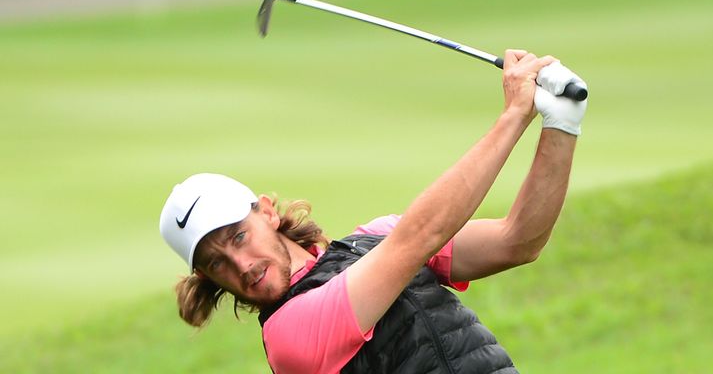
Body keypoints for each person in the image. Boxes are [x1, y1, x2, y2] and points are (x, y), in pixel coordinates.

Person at [159, 49, 587, 374]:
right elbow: (418, 237)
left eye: (238, 237)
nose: (241, 264)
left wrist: (561, 125)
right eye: (216, 263)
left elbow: (517, 241)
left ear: (267, 213)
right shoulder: (290, 337)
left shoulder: (374, 238)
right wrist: (515, 115)